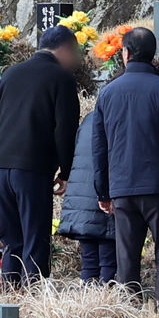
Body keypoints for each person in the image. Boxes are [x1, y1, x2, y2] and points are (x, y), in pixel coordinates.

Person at [92, 27, 159, 306]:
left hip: (121, 186)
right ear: (152, 55)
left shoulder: (108, 93)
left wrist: (103, 191)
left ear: (125, 53)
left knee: (127, 255)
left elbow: (99, 147)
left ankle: (130, 310)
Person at [0, 25, 81, 285]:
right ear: (65, 50)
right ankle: (32, 296)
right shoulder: (60, 78)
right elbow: (65, 129)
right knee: (35, 236)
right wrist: (65, 170)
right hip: (32, 167)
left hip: (2, 167)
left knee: (11, 239)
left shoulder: (11, 73)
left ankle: (10, 294)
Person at [58, 114, 117, 284]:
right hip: (103, 198)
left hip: (80, 200)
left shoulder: (89, 119)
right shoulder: (116, 117)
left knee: (89, 262)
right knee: (108, 261)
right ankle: (107, 303)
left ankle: (88, 303)